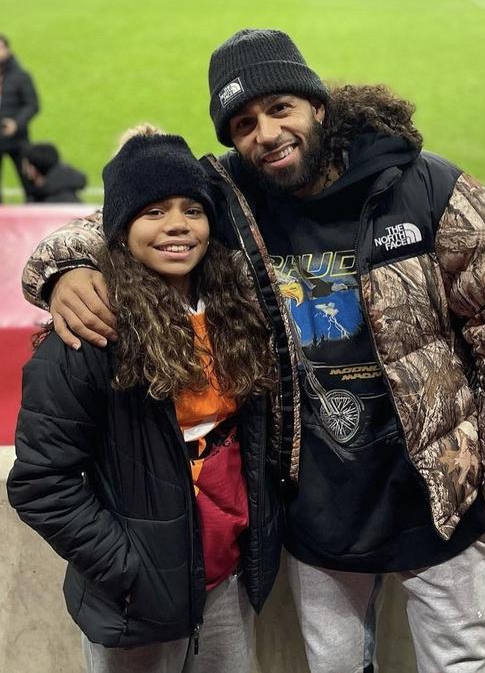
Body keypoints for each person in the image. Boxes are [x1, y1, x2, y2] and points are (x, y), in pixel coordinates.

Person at [22, 30, 485, 673]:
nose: (267, 134)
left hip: (440, 491)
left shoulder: (428, 186)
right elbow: (126, 212)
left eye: (281, 109)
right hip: (318, 502)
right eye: (243, 123)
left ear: (318, 107)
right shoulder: (231, 196)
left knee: (459, 663)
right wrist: (65, 271)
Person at [9, 128, 282, 673]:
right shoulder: (87, 337)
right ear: (119, 227)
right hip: (135, 605)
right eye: (154, 210)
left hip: (224, 587)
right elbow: (41, 485)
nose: (178, 224)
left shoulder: (237, 317)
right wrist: (133, 570)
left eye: (192, 209)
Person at [0, 34, 40, 202]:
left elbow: (32, 104)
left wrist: (17, 123)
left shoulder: (21, 76)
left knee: (29, 182)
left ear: (8, 50)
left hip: (18, 139)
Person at [21, 141, 87, 202]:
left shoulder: (46, 204)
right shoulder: (66, 194)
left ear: (33, 170)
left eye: (26, 166)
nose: (24, 170)